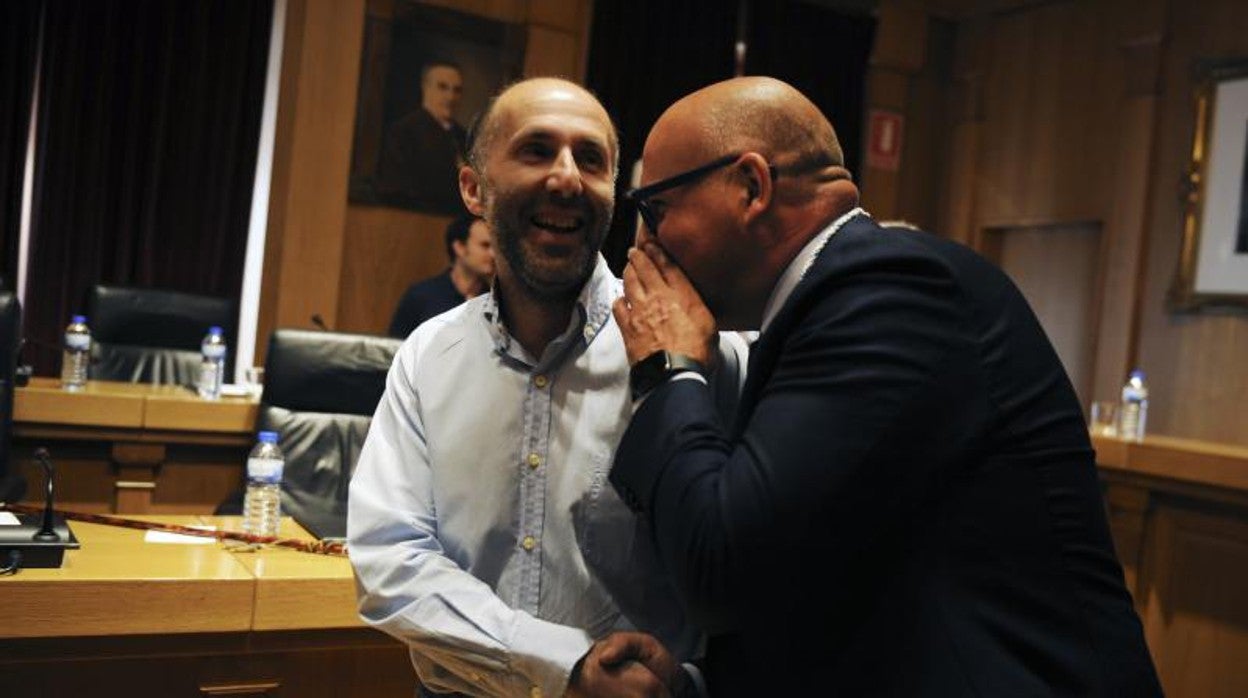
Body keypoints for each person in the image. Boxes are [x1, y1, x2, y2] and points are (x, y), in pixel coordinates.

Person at [600, 77, 1163, 696]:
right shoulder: (837, 300)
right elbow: (834, 572)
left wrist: (667, 366)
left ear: (751, 187)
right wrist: (698, 685)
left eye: (654, 209)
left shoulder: (889, 289)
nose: (640, 244)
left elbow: (722, 570)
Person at [349, 77, 745, 697]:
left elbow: (743, 563)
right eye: (537, 150)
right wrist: (566, 667)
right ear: (473, 189)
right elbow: (389, 561)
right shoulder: (429, 353)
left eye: (591, 159)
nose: (566, 178)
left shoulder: (691, 352)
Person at [375, 61, 469, 214]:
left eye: (456, 90)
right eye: (442, 87)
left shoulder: (464, 137)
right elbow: (396, 190)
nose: (450, 96)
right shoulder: (404, 132)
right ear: (425, 87)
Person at [388, 215, 495, 338]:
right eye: (485, 246)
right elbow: (395, 348)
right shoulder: (422, 296)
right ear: (459, 247)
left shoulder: (497, 300)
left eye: (495, 247)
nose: (493, 254)